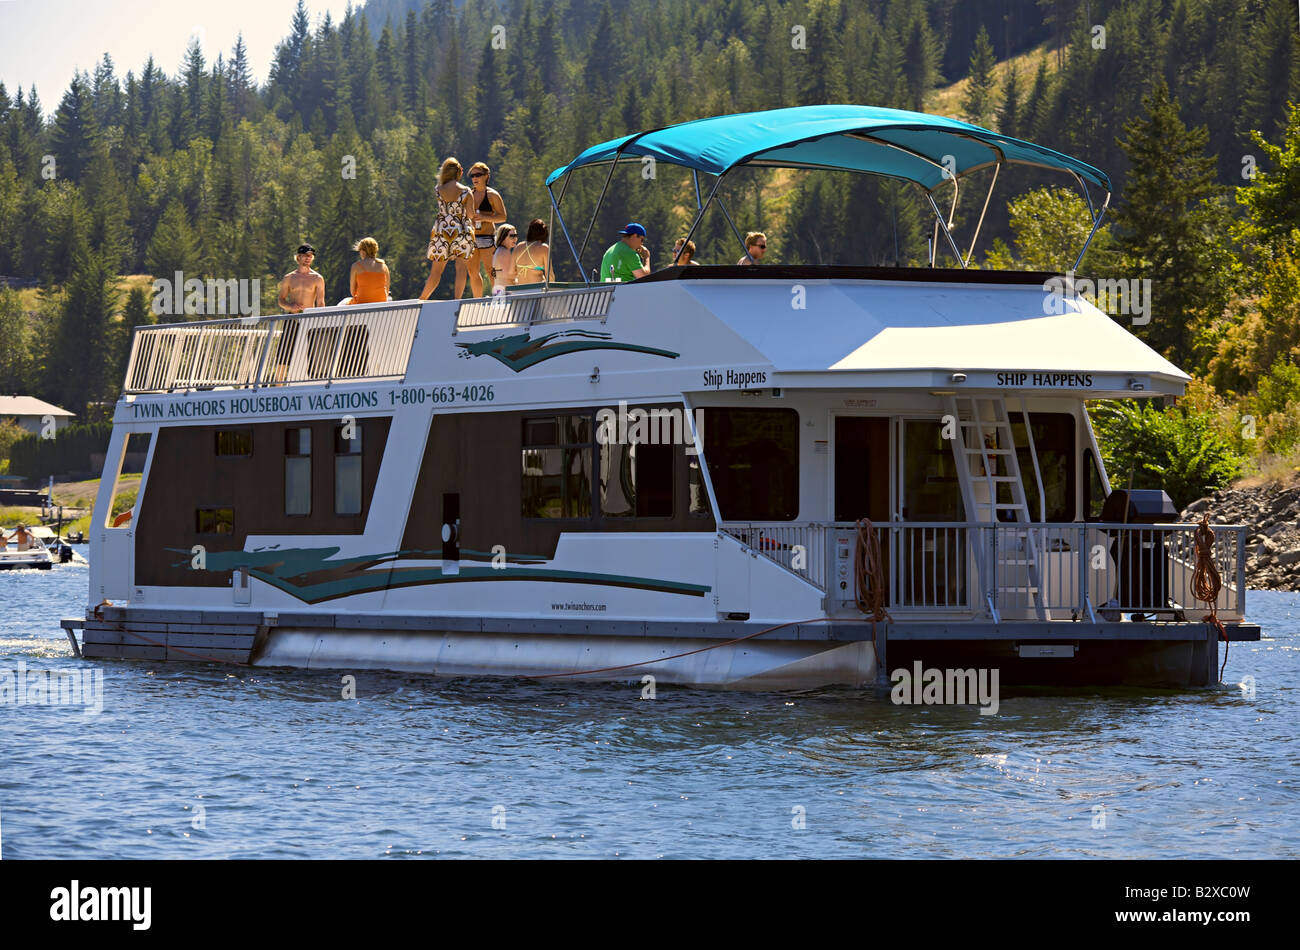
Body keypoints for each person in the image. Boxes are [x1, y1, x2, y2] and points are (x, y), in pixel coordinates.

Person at [420, 158, 476, 300]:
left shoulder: (438, 190)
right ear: (458, 172)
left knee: (436, 271)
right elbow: (470, 215)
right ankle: (457, 301)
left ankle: (422, 300)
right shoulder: (466, 191)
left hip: (442, 230)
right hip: (461, 230)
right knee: (461, 268)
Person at [467, 162, 508, 298]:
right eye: (472, 175)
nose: (475, 178)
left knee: (492, 271)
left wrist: (484, 217)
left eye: (478, 174)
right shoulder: (469, 194)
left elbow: (502, 217)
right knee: (473, 272)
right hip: (471, 238)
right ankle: (477, 300)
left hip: (487, 238)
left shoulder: (492, 195)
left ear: (486, 176)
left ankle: (500, 300)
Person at [278, 244, 325, 312]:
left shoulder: (317, 278)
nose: (308, 258)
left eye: (311, 256)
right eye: (306, 255)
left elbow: (320, 303)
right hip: (292, 318)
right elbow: (281, 300)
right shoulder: (288, 278)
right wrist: (290, 306)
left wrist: (320, 319)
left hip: (309, 318)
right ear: (299, 257)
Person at [348, 237, 390, 304]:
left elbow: (353, 292)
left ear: (362, 251)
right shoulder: (384, 267)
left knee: (343, 303)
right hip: (381, 303)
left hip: (362, 303)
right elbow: (386, 292)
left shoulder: (356, 266)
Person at [512, 218, 551, 285]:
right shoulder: (543, 248)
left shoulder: (518, 247)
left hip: (520, 290)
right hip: (537, 290)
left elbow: (511, 272)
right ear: (544, 233)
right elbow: (550, 275)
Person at [491, 223, 519, 293]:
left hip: (501, 292)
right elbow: (508, 275)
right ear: (503, 237)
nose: (515, 238)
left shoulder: (500, 250)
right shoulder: (504, 252)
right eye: (512, 236)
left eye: (516, 235)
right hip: (506, 294)